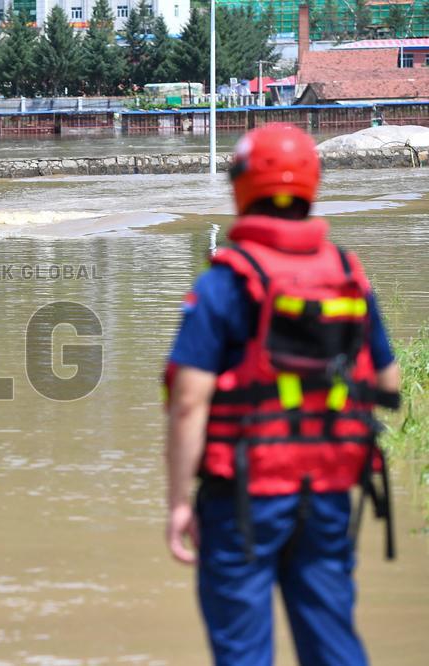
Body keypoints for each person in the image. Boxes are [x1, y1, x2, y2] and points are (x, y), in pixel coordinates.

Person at [163, 124, 400, 665]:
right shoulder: (347, 274)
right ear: (313, 185)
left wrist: (179, 503)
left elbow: (188, 402)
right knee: (333, 642)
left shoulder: (224, 283)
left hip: (244, 494)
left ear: (242, 187)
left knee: (244, 651)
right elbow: (387, 383)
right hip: (329, 489)